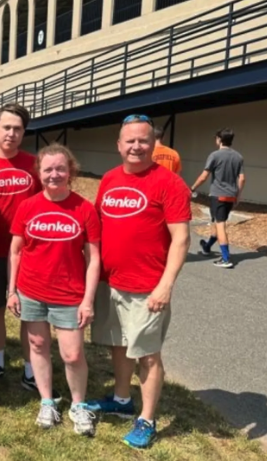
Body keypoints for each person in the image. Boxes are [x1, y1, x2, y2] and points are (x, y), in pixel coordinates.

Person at [87, 114, 191, 449]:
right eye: (129, 141)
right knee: (119, 344)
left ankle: (146, 419)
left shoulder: (170, 183)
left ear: (154, 144)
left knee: (148, 355)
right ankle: (121, 400)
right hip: (109, 282)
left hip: (147, 287)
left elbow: (181, 239)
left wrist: (166, 285)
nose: (136, 146)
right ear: (119, 145)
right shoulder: (109, 179)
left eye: (143, 140)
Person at [6, 144, 100, 435]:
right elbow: (16, 251)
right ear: (39, 173)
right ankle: (47, 400)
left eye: (60, 168)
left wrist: (87, 301)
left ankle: (78, 405)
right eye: (48, 169)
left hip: (70, 296)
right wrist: (12, 290)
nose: (54, 174)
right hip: (32, 290)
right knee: (37, 345)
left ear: (71, 171)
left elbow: (94, 258)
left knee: (72, 355)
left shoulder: (84, 208)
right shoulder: (27, 206)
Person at [0, 103, 51, 398]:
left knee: (30, 314)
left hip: (29, 253)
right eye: (6, 127)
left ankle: (30, 370)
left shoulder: (34, 164)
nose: (12, 133)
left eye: (18, 128)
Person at [190, 128, 245, 268]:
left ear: (219, 140)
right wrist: (238, 196)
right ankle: (207, 247)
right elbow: (242, 178)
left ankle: (226, 258)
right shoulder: (238, 157)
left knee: (220, 225)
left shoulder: (215, 155)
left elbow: (204, 176)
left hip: (218, 195)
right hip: (231, 195)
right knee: (216, 221)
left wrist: (192, 188)